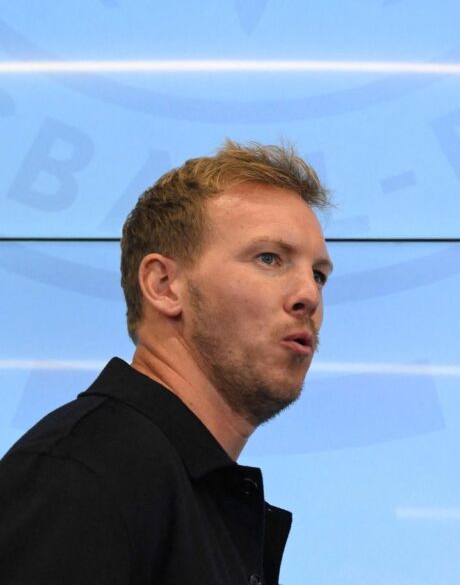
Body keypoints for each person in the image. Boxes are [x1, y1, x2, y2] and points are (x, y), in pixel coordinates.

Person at [0, 140, 333, 584]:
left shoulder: (175, 488)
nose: (309, 295)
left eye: (318, 274)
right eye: (269, 258)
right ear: (163, 285)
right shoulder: (79, 476)